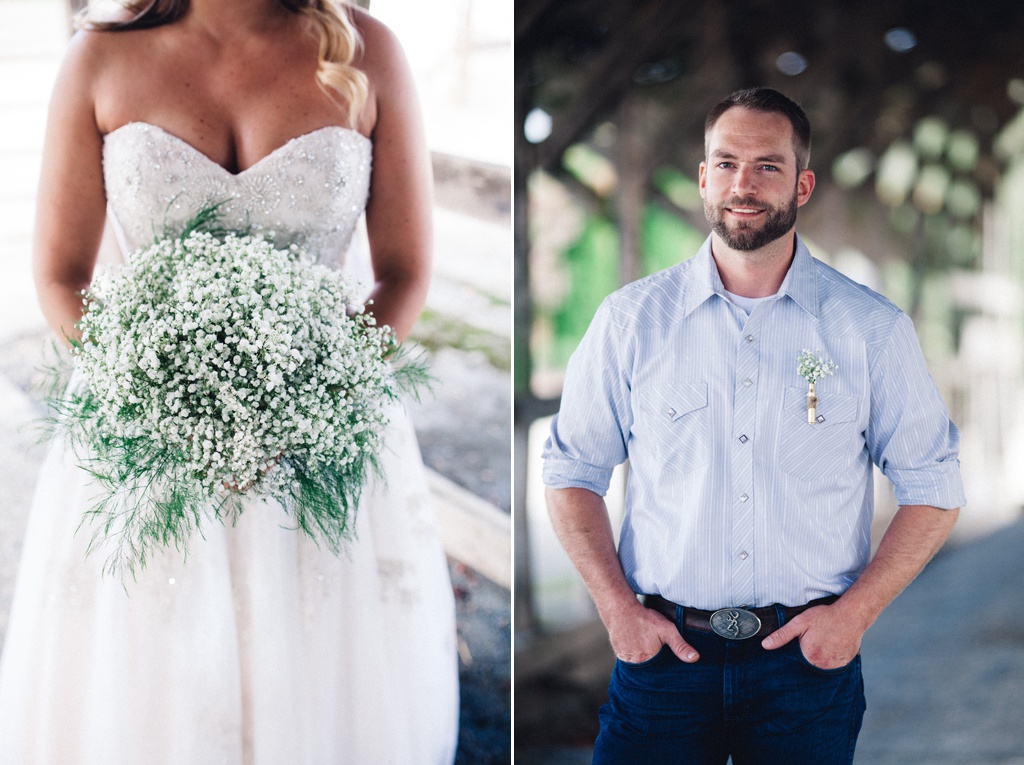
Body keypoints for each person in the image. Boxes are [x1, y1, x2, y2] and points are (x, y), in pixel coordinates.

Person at [0, 0, 459, 762]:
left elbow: (403, 274)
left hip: (323, 436)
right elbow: (59, 275)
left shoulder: (369, 53)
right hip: (142, 437)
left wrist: (311, 396)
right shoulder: (99, 58)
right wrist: (158, 391)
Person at [542, 87, 965, 764]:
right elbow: (570, 473)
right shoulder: (631, 322)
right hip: (664, 662)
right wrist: (617, 609)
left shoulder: (870, 330)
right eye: (727, 162)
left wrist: (853, 616)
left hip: (805, 669)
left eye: (767, 166)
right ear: (705, 177)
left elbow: (935, 485)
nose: (744, 183)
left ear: (802, 182)